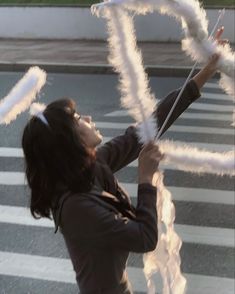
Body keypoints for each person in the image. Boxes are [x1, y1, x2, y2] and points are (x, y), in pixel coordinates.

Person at [22, 34, 223, 293]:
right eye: (79, 118)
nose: (90, 117)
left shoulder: (90, 167)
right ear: (68, 141)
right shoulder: (75, 207)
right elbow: (144, 238)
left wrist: (207, 70)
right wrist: (145, 179)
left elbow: (149, 127)